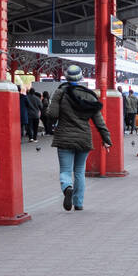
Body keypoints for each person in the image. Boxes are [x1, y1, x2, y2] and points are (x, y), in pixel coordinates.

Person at [43, 64, 111, 211]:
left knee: (65, 171)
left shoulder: (60, 92)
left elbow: (52, 114)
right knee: (79, 171)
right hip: (84, 138)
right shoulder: (89, 95)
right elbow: (99, 121)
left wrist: (50, 110)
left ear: (66, 77)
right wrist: (106, 140)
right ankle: (78, 203)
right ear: (80, 78)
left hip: (64, 137)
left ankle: (67, 187)